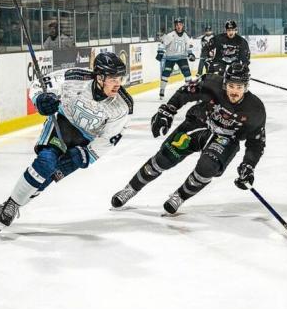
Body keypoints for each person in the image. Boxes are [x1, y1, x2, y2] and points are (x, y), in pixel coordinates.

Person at [0, 52, 133, 230]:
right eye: (112, 78)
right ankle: (11, 204)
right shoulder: (74, 78)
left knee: (48, 177)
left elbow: (109, 138)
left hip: (84, 143)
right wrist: (40, 99)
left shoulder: (123, 106)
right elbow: (38, 86)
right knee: (45, 163)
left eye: (120, 78)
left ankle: (11, 205)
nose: (118, 84)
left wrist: (89, 155)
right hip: (61, 127)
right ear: (100, 77)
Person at [111, 63, 266, 214]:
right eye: (231, 86)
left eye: (239, 87)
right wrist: (168, 110)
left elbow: (256, 142)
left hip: (226, 138)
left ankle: (180, 196)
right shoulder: (212, 83)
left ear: (246, 87)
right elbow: (185, 92)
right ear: (225, 84)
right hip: (199, 123)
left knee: (207, 168)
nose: (234, 92)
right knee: (164, 158)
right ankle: (130, 189)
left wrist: (249, 166)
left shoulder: (255, 109)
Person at [157, 17, 195, 100]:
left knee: (187, 74)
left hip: (182, 58)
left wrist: (190, 54)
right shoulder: (170, 34)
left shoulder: (186, 35)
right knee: (165, 74)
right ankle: (162, 90)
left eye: (180, 24)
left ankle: (190, 90)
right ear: (175, 26)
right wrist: (160, 52)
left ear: (183, 25)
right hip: (170, 58)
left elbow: (189, 46)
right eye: (177, 25)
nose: (178, 26)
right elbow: (163, 44)